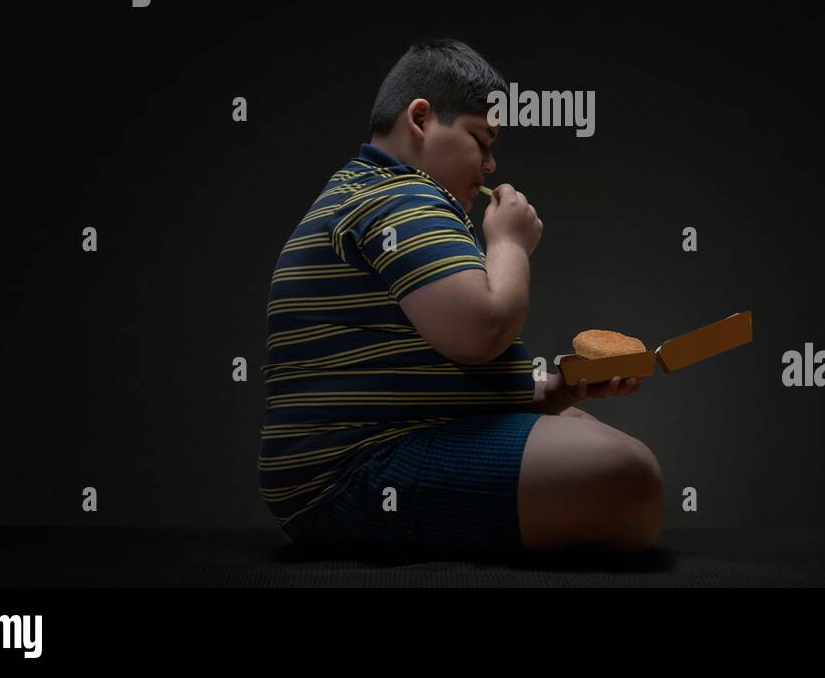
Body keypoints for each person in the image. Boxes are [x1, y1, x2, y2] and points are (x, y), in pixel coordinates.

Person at [258, 38, 663, 553]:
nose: (491, 165)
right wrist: (510, 244)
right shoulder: (402, 197)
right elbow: (483, 332)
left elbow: (445, 368)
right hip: (351, 473)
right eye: (481, 140)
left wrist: (564, 386)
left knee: (578, 427)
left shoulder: (366, 190)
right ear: (422, 119)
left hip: (343, 467)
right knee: (626, 475)